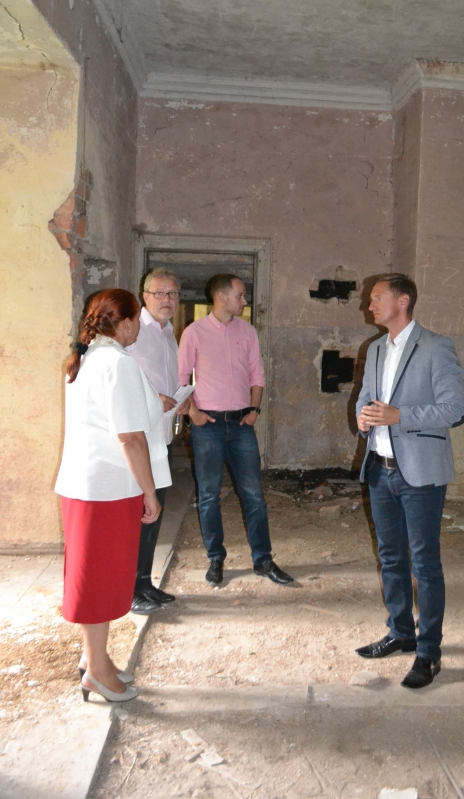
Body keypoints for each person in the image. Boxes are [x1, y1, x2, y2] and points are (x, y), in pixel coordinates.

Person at [55, 289, 168, 703]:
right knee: (99, 579)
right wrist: (149, 492)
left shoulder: (87, 358)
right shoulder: (117, 363)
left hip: (87, 485)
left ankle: (94, 658)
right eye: (137, 320)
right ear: (127, 322)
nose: (138, 328)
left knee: (96, 574)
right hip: (106, 488)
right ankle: (98, 672)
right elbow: (130, 438)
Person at [355, 273, 464, 689]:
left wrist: (400, 416)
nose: (370, 305)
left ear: (402, 301)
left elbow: (455, 409)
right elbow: (366, 398)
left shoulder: (436, 347)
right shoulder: (375, 349)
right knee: (390, 558)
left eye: (377, 298)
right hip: (379, 469)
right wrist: (363, 418)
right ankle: (401, 632)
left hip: (420, 473)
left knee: (425, 564)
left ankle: (429, 652)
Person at [178, 273, 293, 587]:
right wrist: (193, 413)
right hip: (208, 426)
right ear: (221, 297)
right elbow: (181, 379)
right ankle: (216, 558)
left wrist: (254, 410)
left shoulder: (248, 332)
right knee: (208, 496)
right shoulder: (194, 333)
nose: (245, 301)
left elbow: (257, 375)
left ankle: (263, 560)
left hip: (242, 426)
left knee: (254, 495)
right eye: (240, 295)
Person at [127, 267, 191, 614]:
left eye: (173, 294)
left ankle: (144, 582)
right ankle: (129, 589)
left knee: (154, 513)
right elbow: (123, 380)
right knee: (138, 514)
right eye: (159, 293)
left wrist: (181, 399)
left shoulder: (169, 333)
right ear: (145, 296)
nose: (167, 300)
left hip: (161, 438)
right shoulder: (133, 330)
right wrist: (155, 398)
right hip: (138, 438)